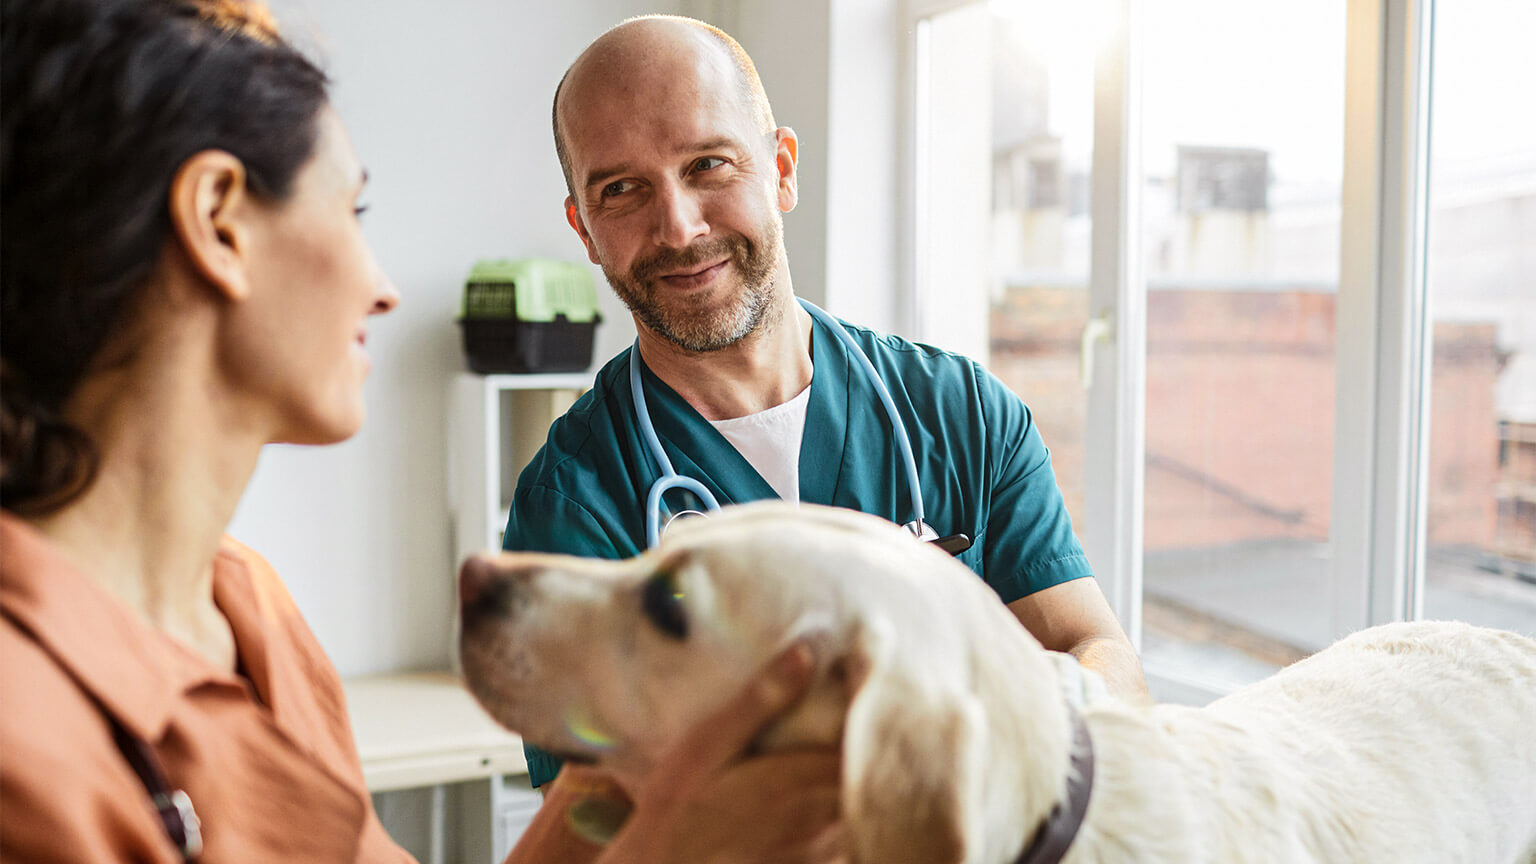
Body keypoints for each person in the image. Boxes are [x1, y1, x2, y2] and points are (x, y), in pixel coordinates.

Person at [0, 2, 840, 862]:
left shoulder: (247, 611)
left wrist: (639, 744)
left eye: (708, 166)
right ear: (218, 220)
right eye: (352, 211)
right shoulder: (25, 736)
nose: (383, 289)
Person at [504, 14, 1151, 790]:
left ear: (781, 169)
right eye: (622, 189)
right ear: (584, 227)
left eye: (709, 164)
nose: (678, 226)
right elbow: (595, 819)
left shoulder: (961, 413)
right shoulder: (572, 506)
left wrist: (1020, 714)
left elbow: (1103, 660)